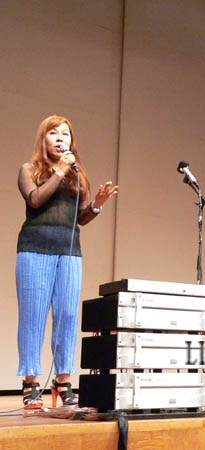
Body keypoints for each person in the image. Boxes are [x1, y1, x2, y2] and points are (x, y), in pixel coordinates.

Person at [16, 115, 118, 409]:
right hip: (34, 248)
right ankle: (30, 382)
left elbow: (80, 218)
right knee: (33, 317)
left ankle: (62, 381)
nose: (61, 138)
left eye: (65, 134)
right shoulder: (29, 170)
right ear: (43, 139)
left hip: (70, 251)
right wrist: (59, 171)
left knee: (68, 316)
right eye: (54, 133)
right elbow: (35, 200)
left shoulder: (77, 175)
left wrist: (96, 204)